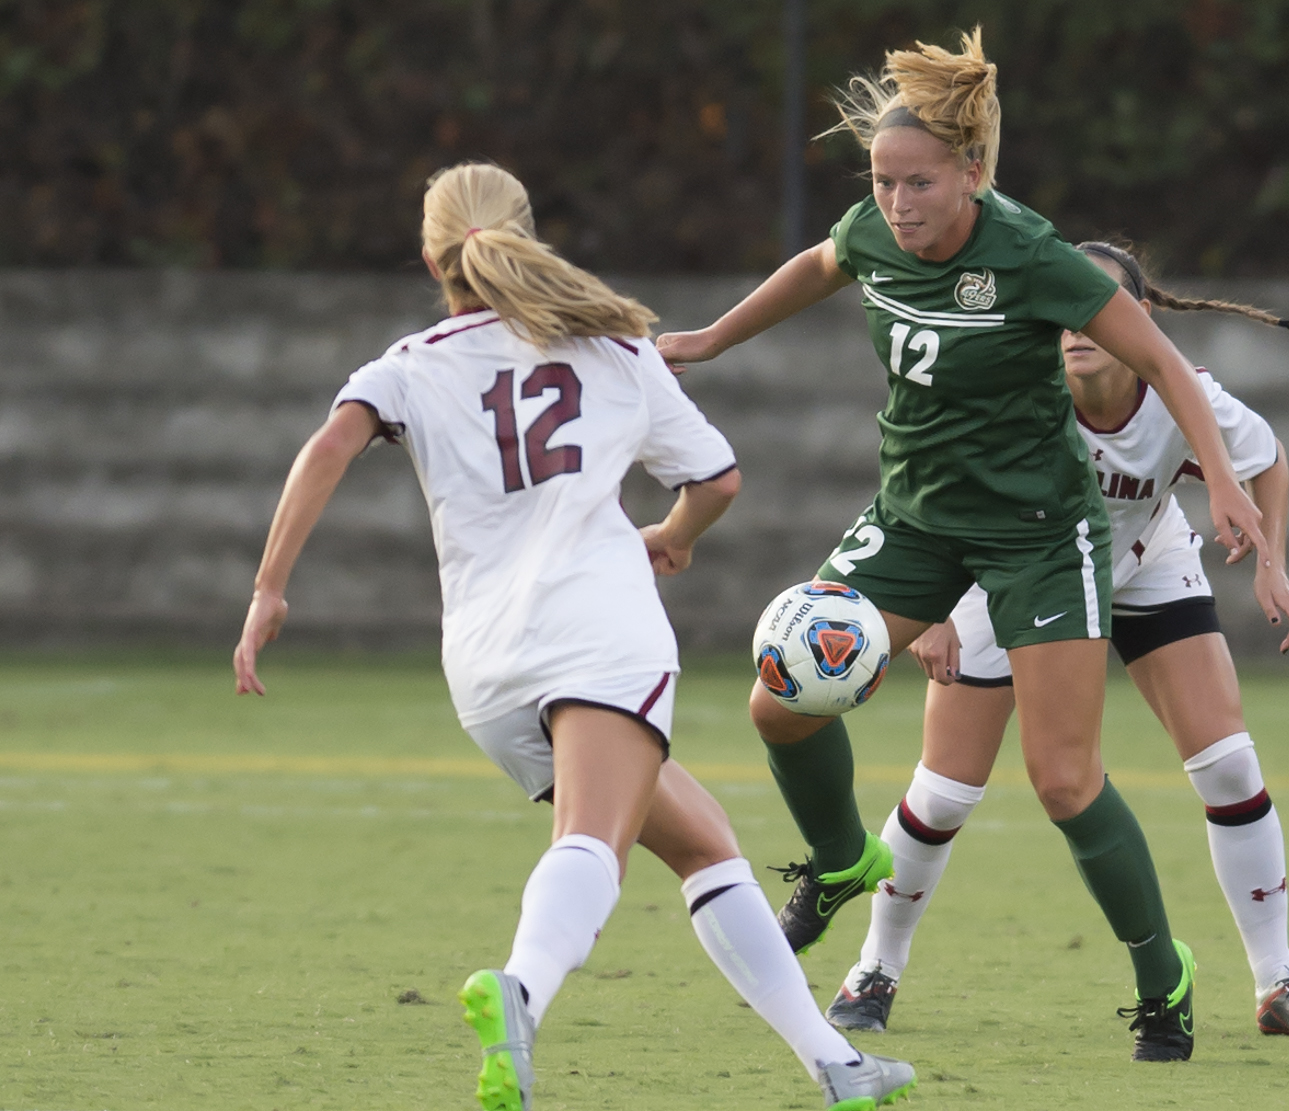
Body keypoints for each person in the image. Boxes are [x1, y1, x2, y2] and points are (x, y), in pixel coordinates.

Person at [230, 163, 915, 1111]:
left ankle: (835, 1065)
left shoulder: (411, 361)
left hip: (484, 667)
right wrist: (672, 539)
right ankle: (521, 988)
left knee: (705, 845)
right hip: (598, 635)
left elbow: (329, 445)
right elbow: (716, 480)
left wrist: (269, 588)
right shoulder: (616, 348)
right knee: (592, 838)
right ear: (528, 235)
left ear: (431, 256)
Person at [655, 30, 1278, 1063]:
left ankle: (1160, 975)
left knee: (1063, 779)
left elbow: (1162, 360)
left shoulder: (1028, 254)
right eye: (883, 182)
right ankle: (840, 854)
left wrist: (1216, 474)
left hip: (1040, 533)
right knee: (778, 699)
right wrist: (710, 340)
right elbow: (818, 264)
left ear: (972, 176)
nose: (896, 203)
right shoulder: (871, 230)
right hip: (912, 518)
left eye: (918, 183)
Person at [826, 241, 1289, 1041]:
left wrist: (1272, 566)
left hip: (1144, 563)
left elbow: (1268, 457)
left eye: (1094, 305)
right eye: (1062, 306)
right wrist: (933, 608)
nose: (1076, 324)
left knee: (1230, 763)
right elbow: (925, 489)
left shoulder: (1179, 393)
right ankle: (874, 971)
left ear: (1131, 318)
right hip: (1008, 572)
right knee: (942, 791)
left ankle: (1277, 982)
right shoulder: (1011, 394)